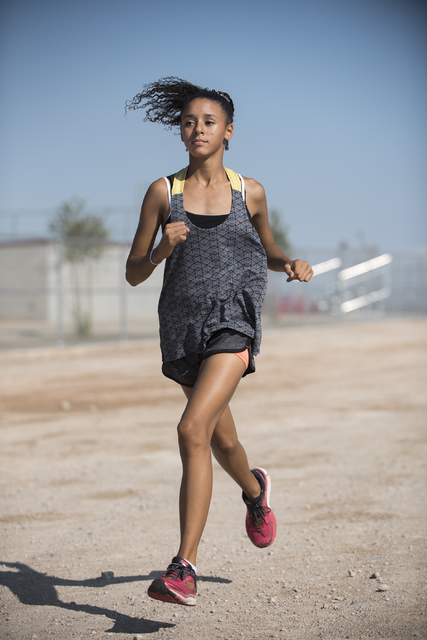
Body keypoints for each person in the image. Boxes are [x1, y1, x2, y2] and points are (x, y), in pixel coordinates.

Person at [125, 77, 313, 607]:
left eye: (208, 121)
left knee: (191, 428)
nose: (197, 128)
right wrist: (162, 249)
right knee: (220, 439)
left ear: (228, 131)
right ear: (180, 133)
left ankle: (183, 567)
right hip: (183, 329)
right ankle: (255, 492)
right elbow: (133, 273)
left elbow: (269, 249)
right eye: (189, 121)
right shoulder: (163, 193)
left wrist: (289, 264)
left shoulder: (248, 191)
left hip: (236, 320)